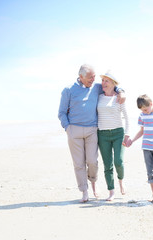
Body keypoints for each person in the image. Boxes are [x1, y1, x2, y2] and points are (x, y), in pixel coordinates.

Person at [58, 64, 124, 203]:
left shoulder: (96, 87)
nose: (93, 80)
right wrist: (67, 128)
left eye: (94, 77)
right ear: (81, 77)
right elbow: (62, 112)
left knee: (92, 161)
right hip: (74, 130)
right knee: (79, 164)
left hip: (92, 130)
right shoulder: (68, 90)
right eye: (90, 77)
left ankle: (94, 182)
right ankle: (84, 191)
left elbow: (113, 86)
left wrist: (121, 91)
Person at [126, 94, 153, 202]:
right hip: (146, 146)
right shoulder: (142, 115)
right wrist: (132, 140)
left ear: (151, 104)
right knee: (149, 170)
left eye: (146, 109)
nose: (145, 112)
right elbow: (142, 131)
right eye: (143, 110)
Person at [97, 71, 129, 201]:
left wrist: (127, 134)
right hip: (102, 134)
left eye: (107, 81)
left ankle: (121, 180)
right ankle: (111, 191)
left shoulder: (119, 98)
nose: (103, 83)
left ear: (113, 84)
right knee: (107, 164)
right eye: (103, 80)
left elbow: (126, 118)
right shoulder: (98, 96)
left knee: (118, 162)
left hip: (118, 133)